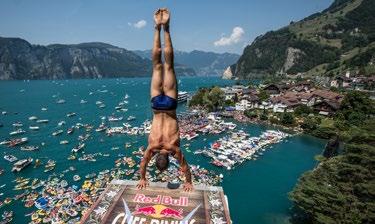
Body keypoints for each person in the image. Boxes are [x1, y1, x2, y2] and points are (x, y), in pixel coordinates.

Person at [137, 8, 193, 192]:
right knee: (157, 66)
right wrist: (143, 177)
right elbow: (144, 163)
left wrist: (188, 182)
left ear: (168, 158)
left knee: (168, 65)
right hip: (156, 104)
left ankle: (165, 28)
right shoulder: (152, 148)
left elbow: (185, 168)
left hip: (169, 105)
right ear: (157, 158)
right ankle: (157, 28)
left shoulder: (173, 149)